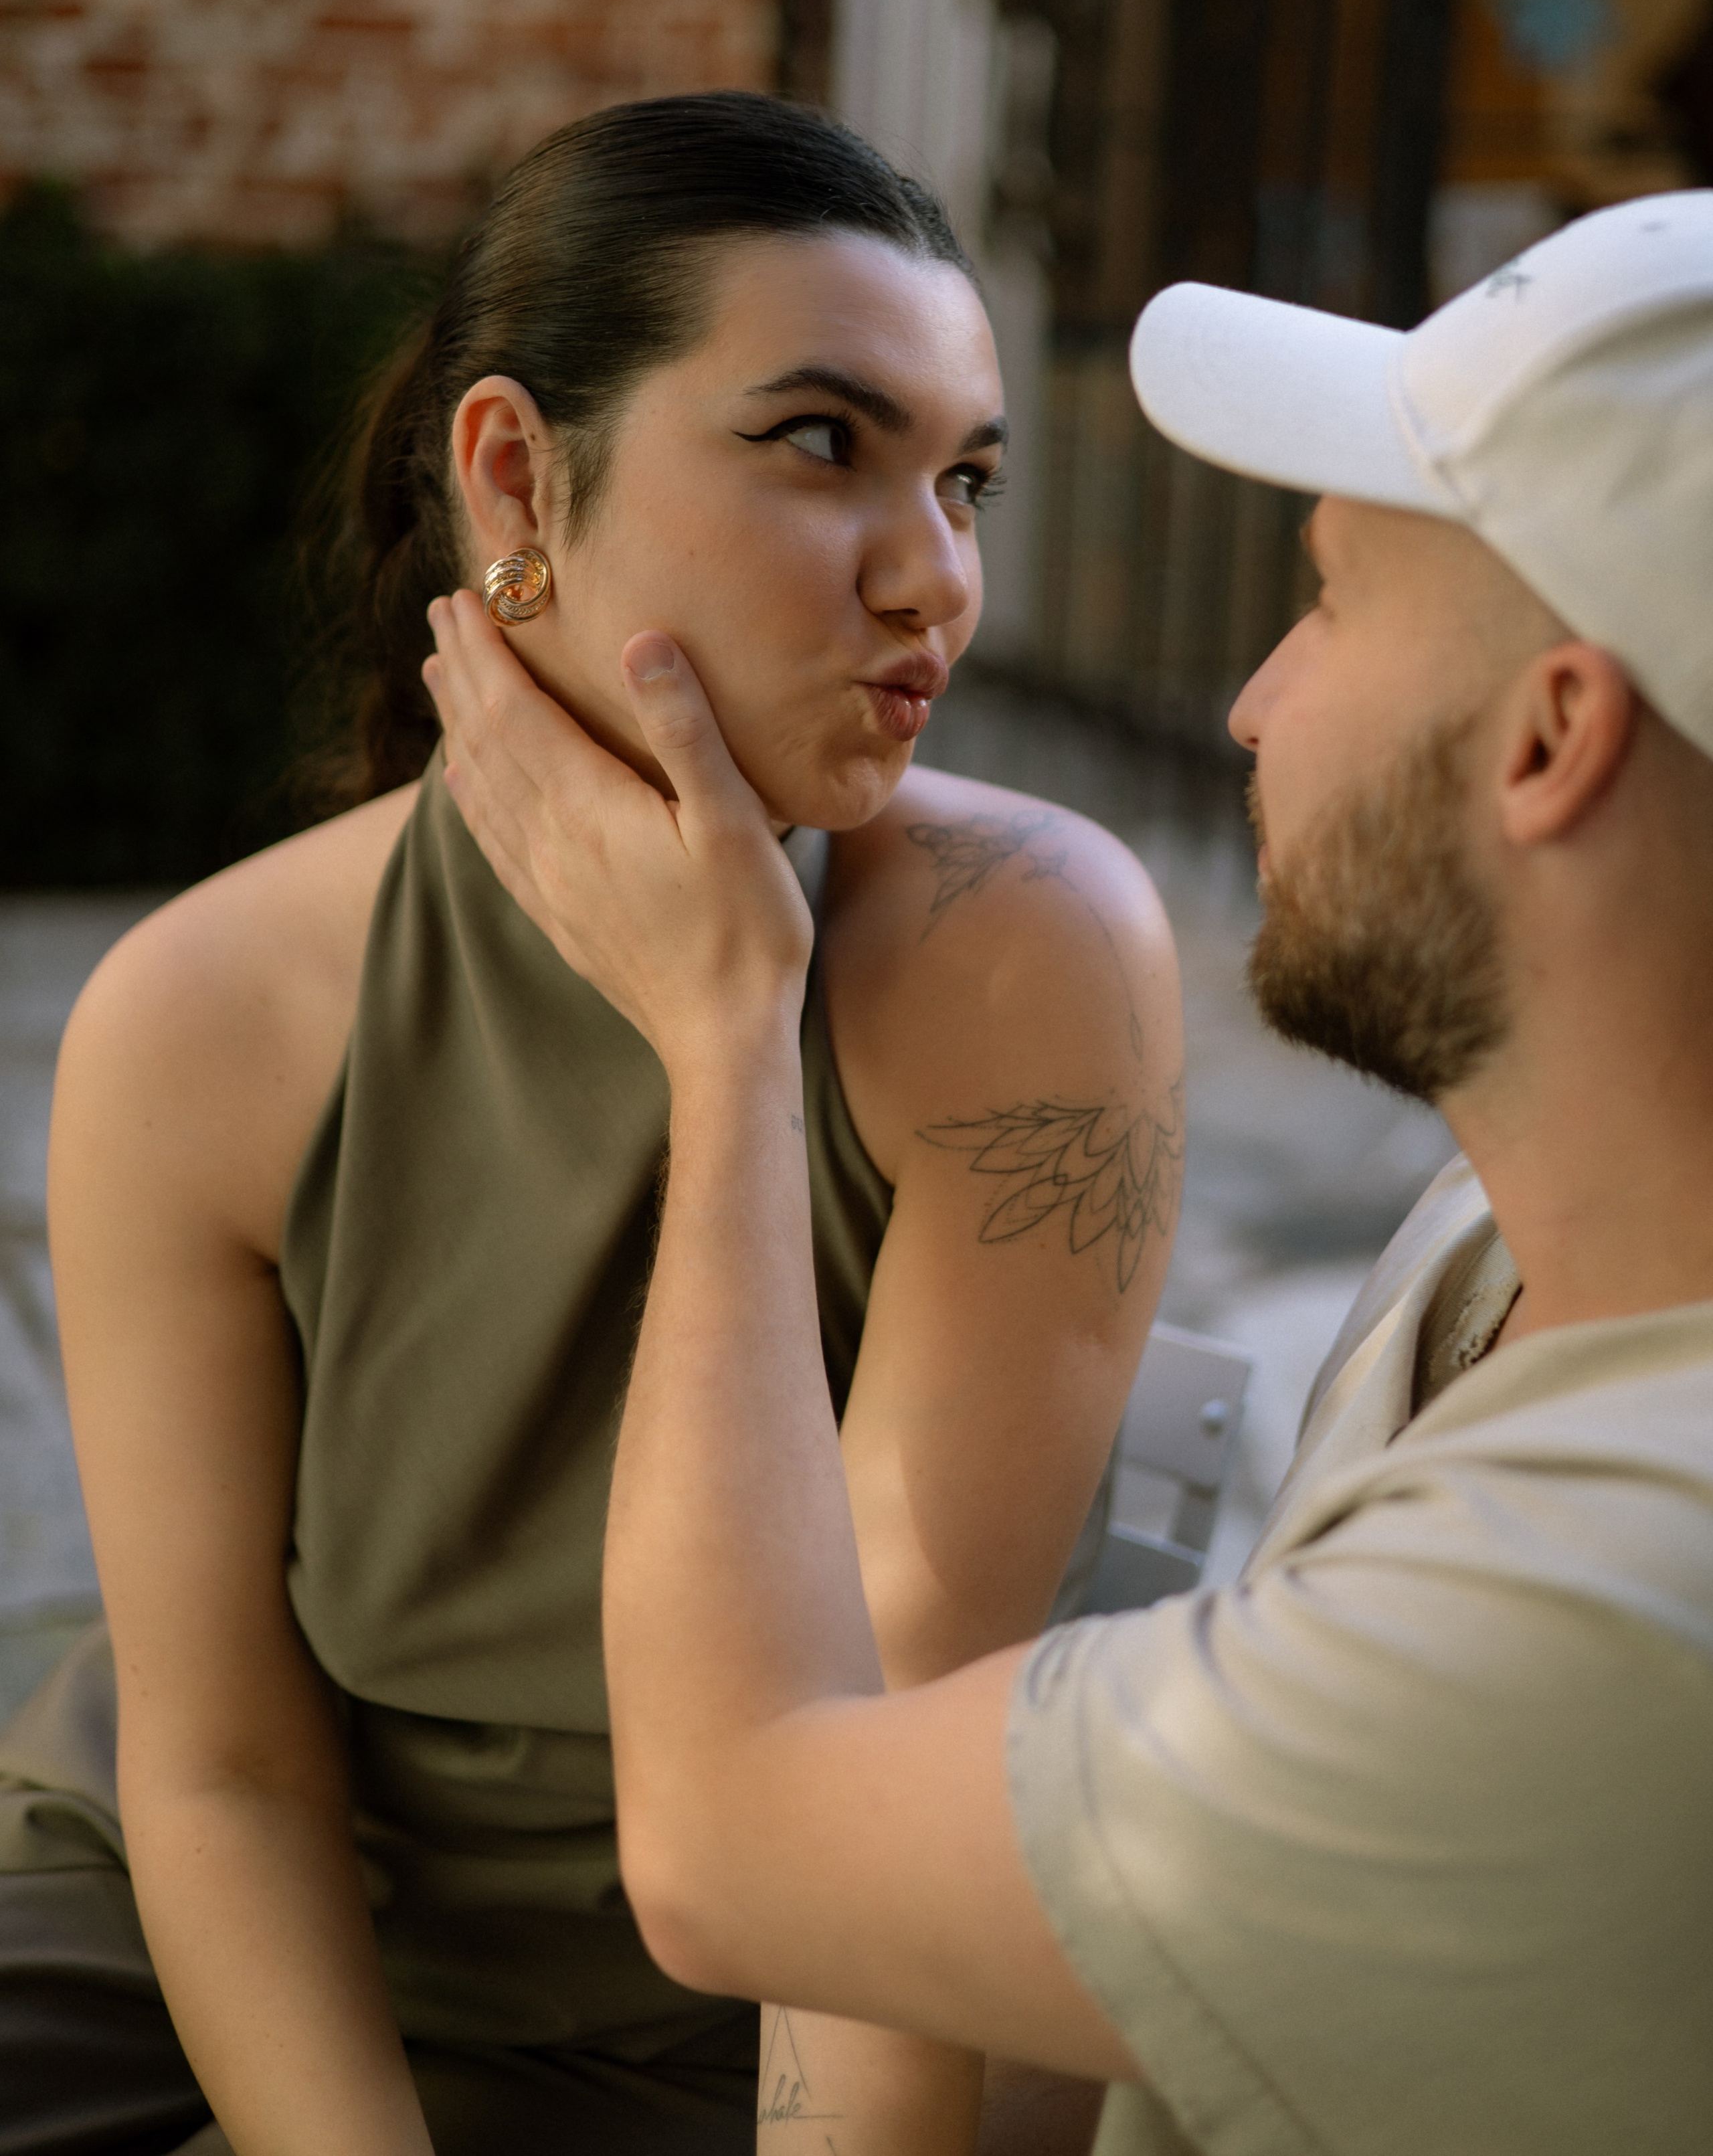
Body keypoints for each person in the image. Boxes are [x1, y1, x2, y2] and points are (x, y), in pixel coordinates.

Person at [423, 189, 1713, 2156]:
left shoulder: (1587, 1617)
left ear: (1552, 739)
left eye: (1333, 599)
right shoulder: (1507, 1237)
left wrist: (721, 1035)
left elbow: (734, 1841)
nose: (1250, 700)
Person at [0, 93, 1183, 2155]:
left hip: (831, 2009)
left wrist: (731, 1038)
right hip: (270, 1961)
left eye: (968, 479)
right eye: (824, 443)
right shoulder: (196, 1026)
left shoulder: (1025, 953)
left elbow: (877, 1793)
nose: (939, 580)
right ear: (513, 475)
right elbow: (222, 1777)